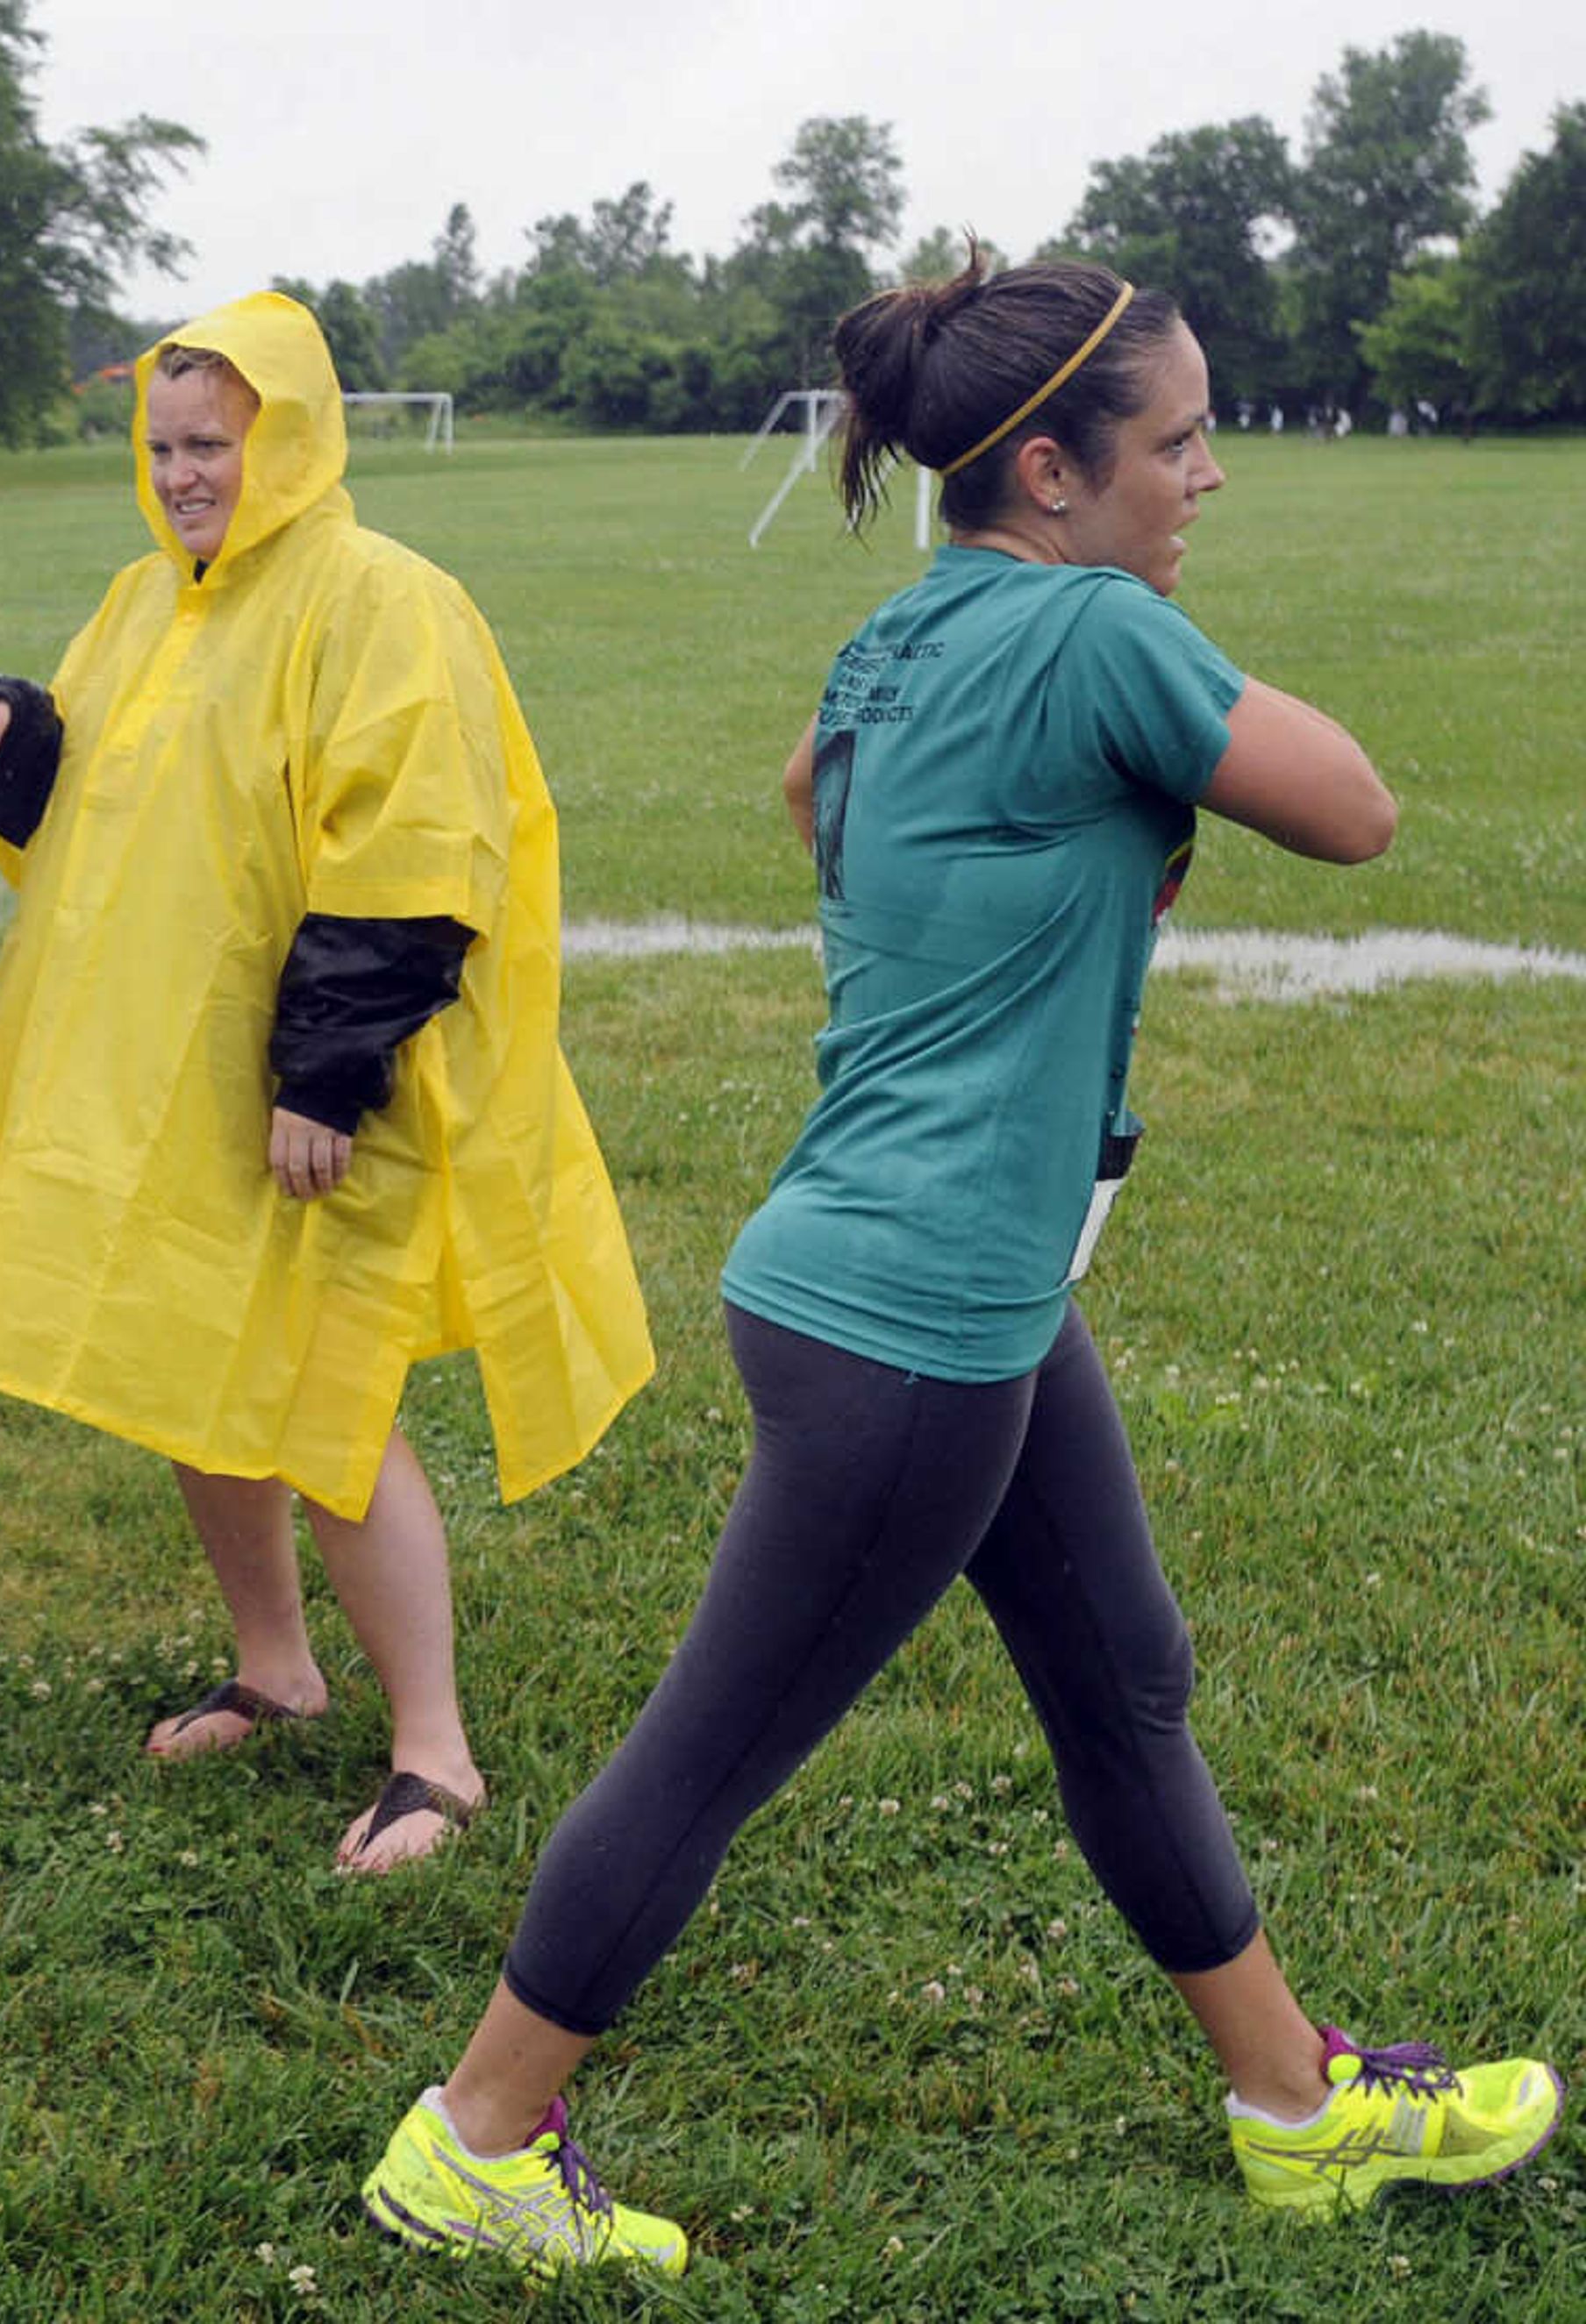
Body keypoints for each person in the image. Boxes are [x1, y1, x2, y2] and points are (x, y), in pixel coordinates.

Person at [360, 257, 1564, 2276]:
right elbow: (1352, 809)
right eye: (1173, 442)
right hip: (907, 1320)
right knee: (708, 1751)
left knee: (1123, 1677)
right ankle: (471, 2138)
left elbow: (811, 798)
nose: (1203, 476)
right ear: (1047, 469)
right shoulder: (1095, 624)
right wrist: (1131, 692)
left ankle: (1294, 2103)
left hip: (929, 1285)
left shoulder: (896, 638)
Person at [0, 290, 654, 1876]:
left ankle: (433, 1752)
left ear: (289, 439)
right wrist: (6, 726)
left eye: (215, 445)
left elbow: (413, 846)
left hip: (317, 1095)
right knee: (194, 1368)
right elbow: (90, 796)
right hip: (175, 1087)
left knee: (325, 1405)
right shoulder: (145, 603)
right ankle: (277, 1666)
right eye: (164, 447)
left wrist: (324, 1074)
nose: (184, 475)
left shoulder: (383, 602)